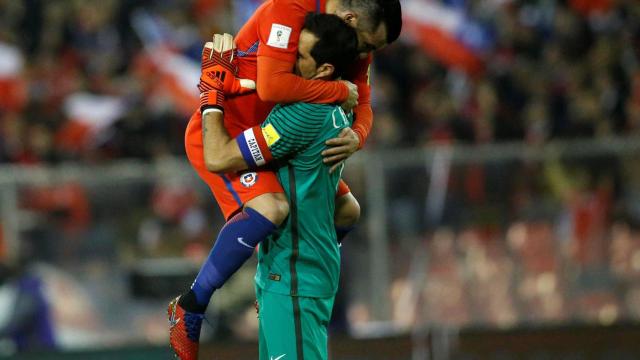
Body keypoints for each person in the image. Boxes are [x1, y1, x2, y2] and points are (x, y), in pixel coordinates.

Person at [169, 12, 360, 359]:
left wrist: (357, 127)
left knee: (340, 208)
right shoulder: (285, 18)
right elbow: (217, 154)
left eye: (299, 57)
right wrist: (213, 87)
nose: (290, 62)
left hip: (264, 143)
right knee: (277, 208)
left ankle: (278, 280)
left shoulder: (308, 88)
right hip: (223, 136)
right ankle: (191, 305)